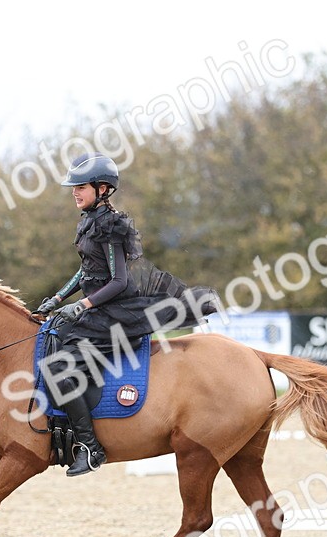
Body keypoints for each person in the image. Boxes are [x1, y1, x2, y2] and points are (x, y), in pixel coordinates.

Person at [35, 151, 219, 476]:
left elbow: (119, 281)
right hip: (97, 311)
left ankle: (91, 447)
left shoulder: (111, 226)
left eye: (81, 186)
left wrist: (81, 306)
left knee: (59, 369)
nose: (75, 192)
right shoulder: (89, 221)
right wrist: (58, 298)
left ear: (102, 188)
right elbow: (86, 273)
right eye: (73, 187)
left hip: (116, 315)